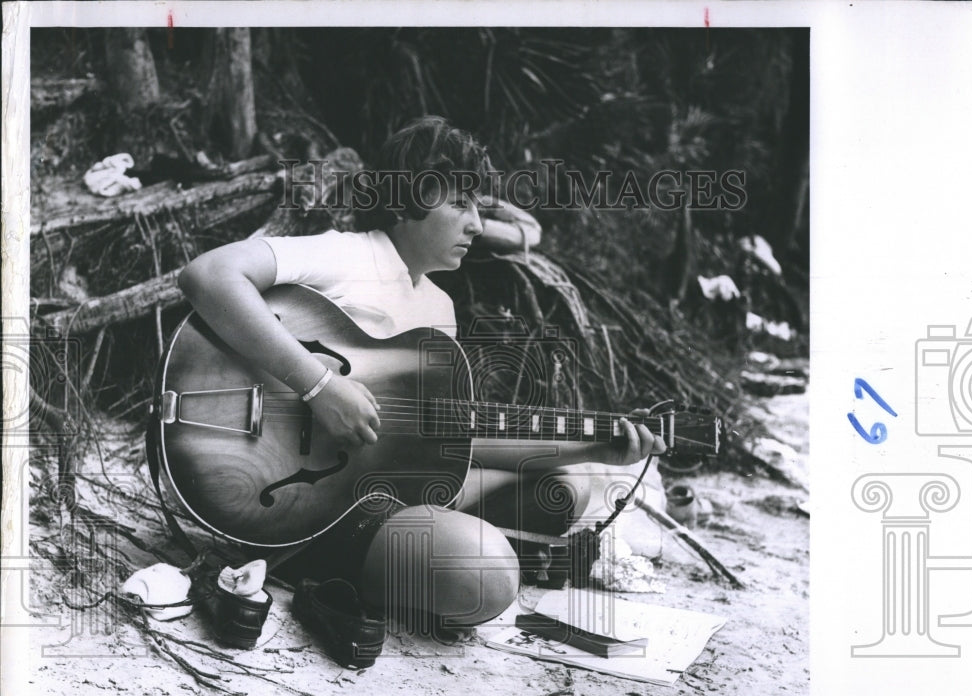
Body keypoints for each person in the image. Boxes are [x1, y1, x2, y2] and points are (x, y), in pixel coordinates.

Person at [178, 116, 665, 642]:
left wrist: (596, 446)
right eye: (460, 204)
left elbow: (453, 439)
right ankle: (310, 560)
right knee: (488, 577)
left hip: (388, 489)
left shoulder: (438, 309)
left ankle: (412, 553)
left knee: (565, 487)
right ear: (405, 200)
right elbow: (207, 275)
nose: (476, 225)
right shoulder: (344, 253)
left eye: (478, 207)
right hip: (300, 498)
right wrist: (319, 385)